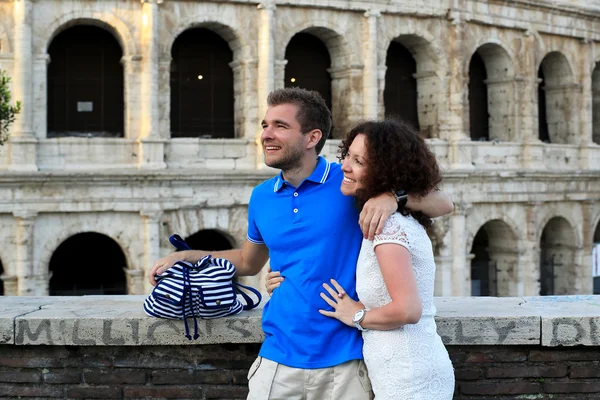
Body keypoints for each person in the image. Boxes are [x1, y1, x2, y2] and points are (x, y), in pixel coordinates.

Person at [149, 88, 454, 400]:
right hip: (277, 359)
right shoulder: (261, 197)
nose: (266, 134)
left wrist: (393, 197)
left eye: (280, 126)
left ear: (312, 138)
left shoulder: (350, 183)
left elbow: (444, 203)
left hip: (346, 362)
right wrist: (188, 256)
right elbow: (248, 261)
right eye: (265, 125)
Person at [268, 119, 455, 399]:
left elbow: (408, 311)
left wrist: (355, 315)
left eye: (359, 161)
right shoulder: (387, 217)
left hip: (407, 372)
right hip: (404, 366)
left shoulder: (387, 226)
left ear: (385, 171)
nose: (344, 165)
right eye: (347, 156)